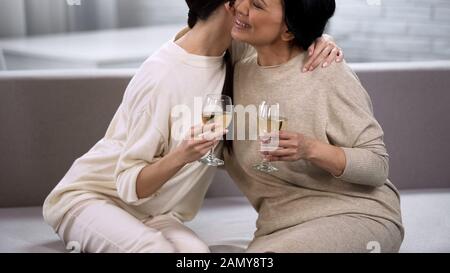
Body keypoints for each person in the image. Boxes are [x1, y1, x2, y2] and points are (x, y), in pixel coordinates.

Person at [42, 0, 342, 253]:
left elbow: (283, 41)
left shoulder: (235, 55)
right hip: (91, 199)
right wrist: (181, 155)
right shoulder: (162, 76)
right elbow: (128, 184)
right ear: (231, 4)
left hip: (158, 213)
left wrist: (318, 39)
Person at [224, 0, 404, 253]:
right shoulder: (239, 64)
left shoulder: (327, 71)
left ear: (288, 30)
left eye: (257, 5)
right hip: (276, 229)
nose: (241, 7)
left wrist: (310, 149)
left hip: (355, 214)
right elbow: (193, 32)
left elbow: (377, 167)